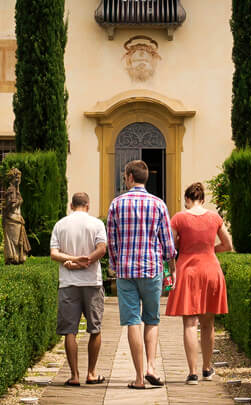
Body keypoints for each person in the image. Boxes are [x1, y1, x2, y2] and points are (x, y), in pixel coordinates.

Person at [104, 158, 177, 389]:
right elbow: (167, 243)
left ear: (129, 177)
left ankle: (138, 378)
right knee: (152, 320)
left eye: (125, 176)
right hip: (152, 268)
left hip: (126, 271)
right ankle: (151, 367)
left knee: (132, 321)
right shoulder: (159, 204)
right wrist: (171, 269)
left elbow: (111, 241)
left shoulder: (116, 204)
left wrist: (114, 266)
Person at [164, 181, 231, 383]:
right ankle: (207, 369)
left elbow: (170, 248)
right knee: (208, 323)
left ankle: (192, 372)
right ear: (203, 199)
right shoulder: (215, 218)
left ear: (187, 199)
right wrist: (210, 251)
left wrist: (178, 254)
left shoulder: (179, 218)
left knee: (190, 323)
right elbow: (228, 245)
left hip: (187, 271)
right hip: (211, 270)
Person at [48, 192, 109, 387]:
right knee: (95, 329)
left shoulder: (61, 224)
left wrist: (72, 262)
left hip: (68, 283)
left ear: (71, 205)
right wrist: (86, 261)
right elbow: (102, 249)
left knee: (70, 331)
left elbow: (53, 254)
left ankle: (74, 375)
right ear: (88, 205)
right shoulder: (97, 224)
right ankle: (91, 373)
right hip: (92, 282)